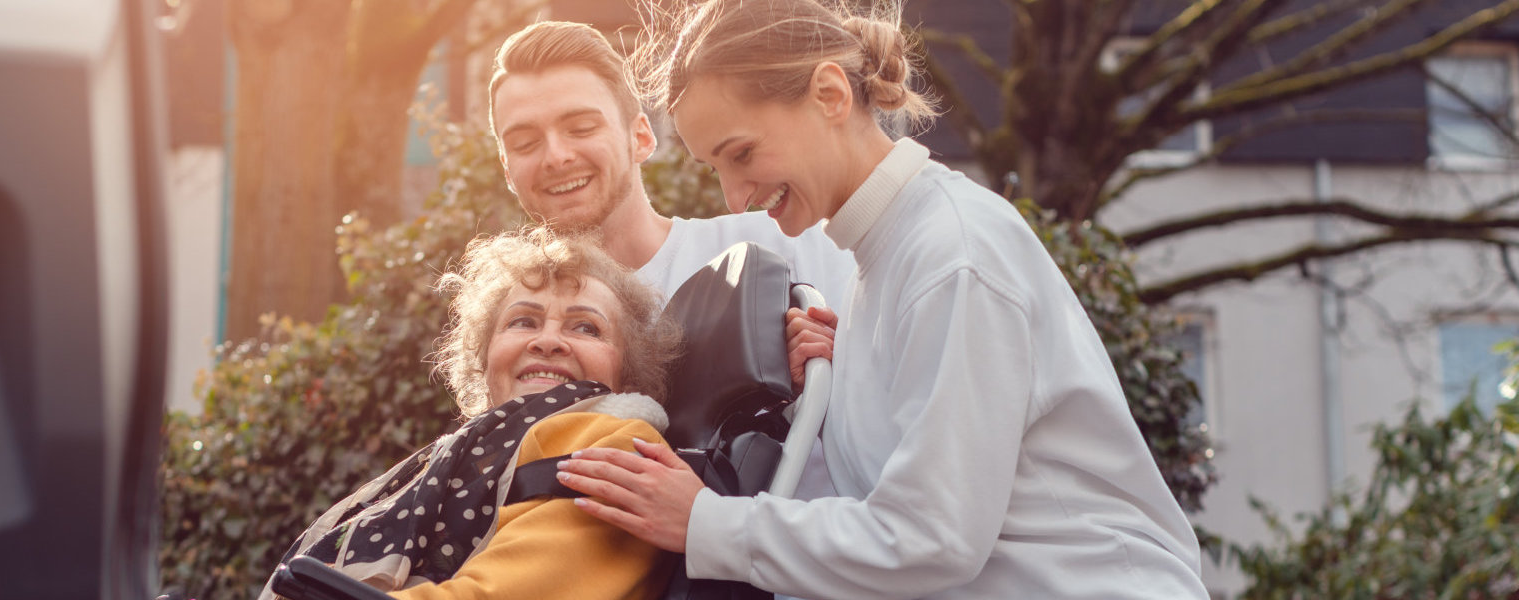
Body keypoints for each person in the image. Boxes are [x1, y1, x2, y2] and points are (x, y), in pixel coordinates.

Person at [555, 1, 1210, 598]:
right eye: (716, 168)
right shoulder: (881, 270)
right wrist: (849, 383)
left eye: (742, 152)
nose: (734, 197)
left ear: (830, 94)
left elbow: (932, 538)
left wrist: (704, 521)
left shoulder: (952, 253)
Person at [263, 227, 682, 600]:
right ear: (485, 361)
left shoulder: (620, 444)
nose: (548, 341)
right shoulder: (465, 459)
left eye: (585, 327)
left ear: (630, 372)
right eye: (523, 322)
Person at [487, 21, 851, 391]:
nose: (556, 156)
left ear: (642, 138)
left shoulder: (786, 245)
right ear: (506, 169)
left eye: (581, 128)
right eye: (525, 143)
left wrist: (832, 367)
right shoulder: (519, 330)